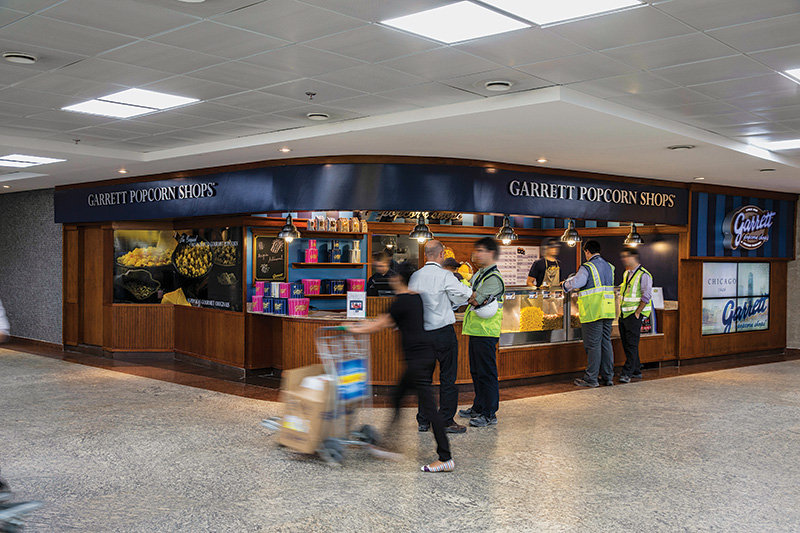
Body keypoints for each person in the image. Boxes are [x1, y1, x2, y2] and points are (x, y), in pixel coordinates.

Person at [347, 268, 454, 472]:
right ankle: (389, 443)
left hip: (417, 361)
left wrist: (352, 328)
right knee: (397, 397)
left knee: (430, 409)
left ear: (398, 279)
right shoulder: (417, 298)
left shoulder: (401, 301)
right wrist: (362, 325)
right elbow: (391, 322)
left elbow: (379, 325)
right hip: (424, 356)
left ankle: (445, 457)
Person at [408, 240, 472, 434]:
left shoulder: (414, 277)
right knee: (448, 377)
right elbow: (466, 293)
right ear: (442, 254)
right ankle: (445, 419)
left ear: (426, 254)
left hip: (422, 334)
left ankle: (423, 420)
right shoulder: (446, 275)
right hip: (443, 332)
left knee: (424, 379)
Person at [458, 237, 505, 428]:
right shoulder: (480, 275)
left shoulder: (494, 278)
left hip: (487, 332)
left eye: (480, 251)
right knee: (477, 372)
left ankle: (489, 413)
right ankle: (478, 406)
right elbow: (471, 294)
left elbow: (475, 300)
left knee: (487, 373)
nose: (476, 254)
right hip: (476, 330)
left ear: (491, 253)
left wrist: (469, 295)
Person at [563, 240, 616, 388]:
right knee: (606, 343)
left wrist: (564, 285)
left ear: (587, 251)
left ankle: (591, 378)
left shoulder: (588, 267)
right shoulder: (609, 266)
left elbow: (577, 282)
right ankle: (608, 377)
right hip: (608, 310)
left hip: (593, 311)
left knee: (593, 345)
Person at [618, 247, 653, 383]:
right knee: (627, 343)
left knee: (632, 344)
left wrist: (638, 312)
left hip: (634, 315)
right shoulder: (627, 274)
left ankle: (627, 373)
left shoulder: (644, 275)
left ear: (634, 257)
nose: (624, 259)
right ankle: (636, 370)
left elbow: (646, 295)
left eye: (626, 256)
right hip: (624, 314)